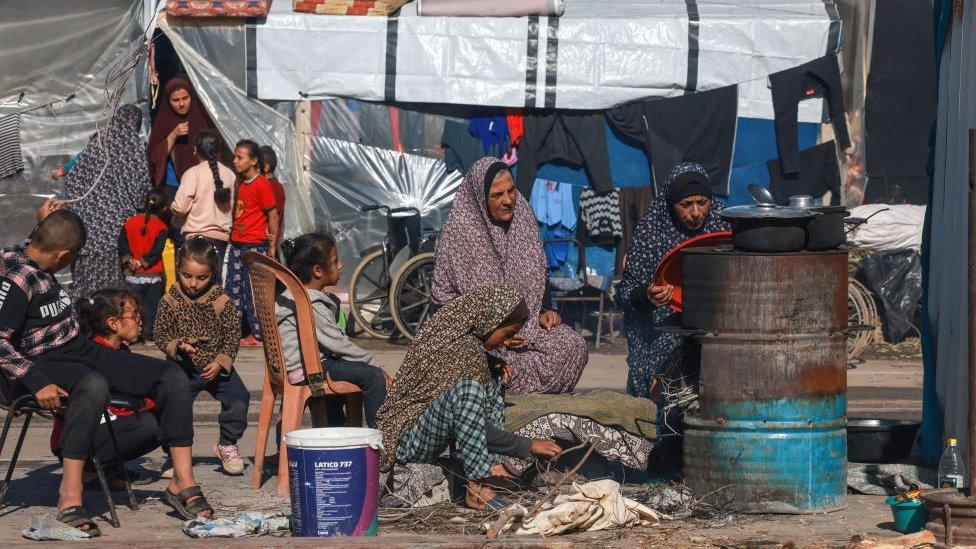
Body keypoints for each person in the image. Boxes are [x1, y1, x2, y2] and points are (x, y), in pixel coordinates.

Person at [0, 211, 212, 534]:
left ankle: (182, 483)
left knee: (170, 376)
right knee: (93, 385)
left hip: (79, 350)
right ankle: (70, 497)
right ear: (63, 257)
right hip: (38, 364)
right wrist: (37, 382)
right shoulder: (17, 280)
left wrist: (48, 219)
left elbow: (46, 236)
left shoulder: (33, 251)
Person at [377, 284, 563, 510]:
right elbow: (473, 423)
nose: (505, 343)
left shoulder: (456, 329)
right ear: (489, 320)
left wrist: (490, 362)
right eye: (506, 335)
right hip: (405, 440)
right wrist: (527, 446)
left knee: (493, 374)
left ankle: (492, 467)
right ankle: (477, 488)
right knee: (469, 390)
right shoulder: (464, 350)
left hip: (421, 429)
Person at [431, 157, 587, 395]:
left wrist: (545, 310)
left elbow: (536, 270)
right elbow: (451, 306)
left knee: (573, 346)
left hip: (525, 328)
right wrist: (494, 336)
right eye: (497, 195)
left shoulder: (522, 215)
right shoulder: (459, 234)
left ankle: (524, 393)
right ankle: (509, 392)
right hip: (477, 338)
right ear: (480, 197)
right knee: (490, 367)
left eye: (511, 190)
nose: (508, 200)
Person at [616, 162, 729, 473]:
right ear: (671, 203)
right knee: (671, 364)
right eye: (686, 205)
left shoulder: (722, 225)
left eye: (702, 203)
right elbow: (626, 293)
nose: (695, 213)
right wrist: (647, 295)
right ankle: (664, 455)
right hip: (660, 326)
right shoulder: (651, 229)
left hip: (714, 322)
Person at [153, 237, 248, 475]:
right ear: (178, 269)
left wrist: (221, 361)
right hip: (182, 369)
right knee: (172, 408)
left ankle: (227, 444)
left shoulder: (221, 300)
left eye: (201, 277)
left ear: (213, 273)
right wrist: (176, 345)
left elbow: (233, 334)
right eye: (187, 275)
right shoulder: (170, 299)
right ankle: (174, 453)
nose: (193, 283)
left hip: (216, 367)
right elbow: (160, 333)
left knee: (239, 398)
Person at [276, 233, 391, 427]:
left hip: (301, 366)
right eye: (335, 261)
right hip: (308, 368)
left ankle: (334, 433)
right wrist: (373, 364)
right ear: (318, 271)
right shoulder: (309, 303)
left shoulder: (294, 295)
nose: (340, 265)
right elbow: (337, 343)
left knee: (341, 370)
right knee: (373, 377)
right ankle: (383, 439)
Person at [65, 289, 160, 488]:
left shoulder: (119, 350)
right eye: (134, 314)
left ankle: (108, 469)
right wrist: (150, 402)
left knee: (166, 414)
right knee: (152, 425)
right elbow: (116, 405)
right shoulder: (96, 354)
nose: (140, 320)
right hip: (76, 439)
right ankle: (89, 471)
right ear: (113, 323)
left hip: (102, 427)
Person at [61, 104, 152, 298]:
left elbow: (73, 179)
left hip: (83, 231)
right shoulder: (132, 146)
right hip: (113, 233)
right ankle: (105, 323)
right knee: (109, 291)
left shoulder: (97, 144)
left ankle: (84, 321)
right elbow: (142, 189)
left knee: (85, 285)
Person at [225, 140, 280, 346]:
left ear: (254, 160)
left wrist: (272, 245)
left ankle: (257, 335)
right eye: (235, 156)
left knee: (253, 292)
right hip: (238, 244)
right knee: (233, 291)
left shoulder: (262, 184)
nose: (235, 161)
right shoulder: (240, 182)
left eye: (240, 157)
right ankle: (234, 332)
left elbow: (272, 215)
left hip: (255, 246)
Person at [170, 130, 235, 281]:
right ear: (218, 150)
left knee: (193, 285)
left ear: (195, 150)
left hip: (196, 241)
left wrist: (172, 206)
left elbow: (180, 207)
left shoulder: (193, 173)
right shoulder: (230, 174)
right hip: (222, 240)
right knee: (213, 284)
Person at [119, 190, 168, 340]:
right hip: (152, 275)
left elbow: (122, 245)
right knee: (151, 307)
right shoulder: (161, 227)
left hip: (132, 275)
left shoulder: (129, 223)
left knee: (131, 307)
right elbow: (157, 251)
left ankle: (129, 335)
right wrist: (142, 262)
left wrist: (130, 261)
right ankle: (148, 336)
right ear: (164, 208)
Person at [260, 145, 286, 246]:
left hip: (264, 244)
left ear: (266, 168)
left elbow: (272, 218)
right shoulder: (263, 185)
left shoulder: (274, 188)